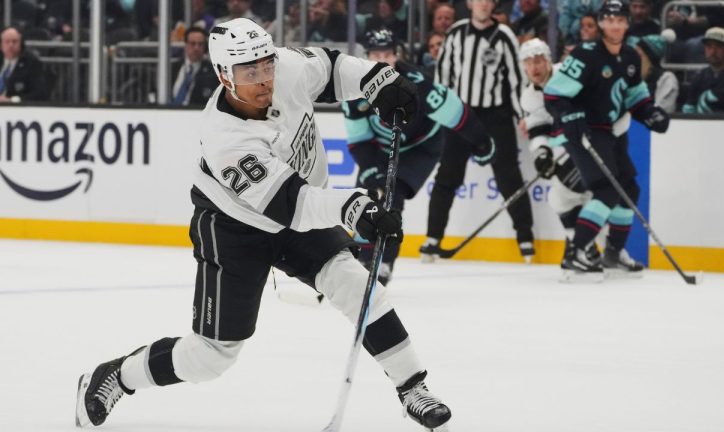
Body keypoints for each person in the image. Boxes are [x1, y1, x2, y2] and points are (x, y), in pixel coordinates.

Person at [74, 18, 452, 431]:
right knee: (210, 357)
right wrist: (353, 206)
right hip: (234, 228)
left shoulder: (284, 67)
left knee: (356, 284)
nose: (264, 78)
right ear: (223, 75)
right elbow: (293, 205)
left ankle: (412, 387)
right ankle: (117, 375)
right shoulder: (226, 139)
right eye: (249, 72)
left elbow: (330, 67)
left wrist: (378, 79)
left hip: (297, 209)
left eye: (266, 65)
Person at [344, 28, 496, 284]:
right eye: (376, 54)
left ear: (396, 55)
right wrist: (371, 170)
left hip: (420, 148)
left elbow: (454, 111)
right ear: (367, 55)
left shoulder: (417, 83)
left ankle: (383, 264)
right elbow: (359, 140)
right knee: (366, 198)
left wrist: (481, 140)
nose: (382, 59)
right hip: (381, 149)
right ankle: (361, 257)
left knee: (393, 196)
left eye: (387, 54)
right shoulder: (353, 89)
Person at [543, 0, 670, 280]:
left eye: (620, 20)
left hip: (611, 132)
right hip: (585, 132)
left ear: (626, 24)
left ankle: (613, 253)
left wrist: (650, 113)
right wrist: (570, 113)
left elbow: (635, 98)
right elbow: (553, 94)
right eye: (609, 20)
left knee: (629, 190)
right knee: (606, 190)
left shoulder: (630, 58)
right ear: (601, 23)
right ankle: (576, 254)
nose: (615, 25)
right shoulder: (586, 55)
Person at [425, 0, 536, 262]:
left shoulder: (505, 35)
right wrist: (444, 113)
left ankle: (525, 237)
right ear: (470, 3)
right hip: (461, 114)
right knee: (448, 175)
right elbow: (444, 77)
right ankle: (432, 238)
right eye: (479, 0)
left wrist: (523, 115)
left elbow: (516, 81)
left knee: (509, 176)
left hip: (495, 116)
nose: (484, 4)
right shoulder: (456, 33)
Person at [518, 38, 597, 270]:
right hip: (571, 146)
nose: (535, 68)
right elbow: (539, 129)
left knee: (562, 196)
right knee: (576, 198)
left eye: (539, 61)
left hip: (591, 139)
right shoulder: (529, 96)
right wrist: (542, 154)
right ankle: (585, 249)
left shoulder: (567, 76)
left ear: (549, 61)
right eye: (529, 62)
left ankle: (581, 248)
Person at [627, 30, 679, 113]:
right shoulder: (631, 77)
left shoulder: (667, 79)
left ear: (649, 59)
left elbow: (661, 112)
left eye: (638, 55)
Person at [170, 27, 219, 107]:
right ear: (185, 45)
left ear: (205, 47)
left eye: (200, 44)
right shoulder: (173, 67)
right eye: (193, 43)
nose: (196, 48)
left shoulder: (212, 72)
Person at [0, 26, 49, 103]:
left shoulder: (31, 63)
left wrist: (12, 100)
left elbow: (39, 94)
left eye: (14, 41)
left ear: (21, 44)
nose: (11, 45)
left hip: (17, 109)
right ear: (1, 45)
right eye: (7, 41)